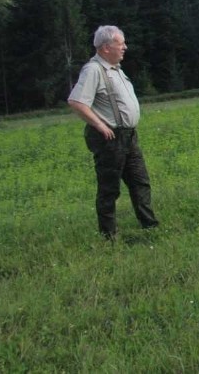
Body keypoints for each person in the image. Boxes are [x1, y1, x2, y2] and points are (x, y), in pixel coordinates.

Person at [68, 26, 159, 240]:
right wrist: (100, 125)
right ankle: (108, 236)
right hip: (110, 139)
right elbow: (76, 101)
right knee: (110, 188)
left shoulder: (116, 68)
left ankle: (150, 226)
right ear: (107, 47)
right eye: (121, 43)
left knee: (140, 182)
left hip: (128, 136)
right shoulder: (94, 70)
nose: (125, 47)